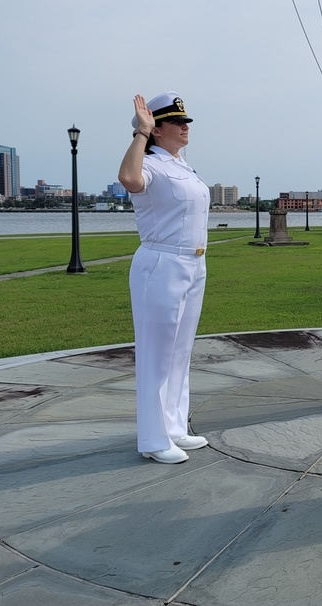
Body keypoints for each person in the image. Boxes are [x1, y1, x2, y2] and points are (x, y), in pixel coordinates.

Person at [118, 91, 211, 464]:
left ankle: (173, 427)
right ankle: (154, 440)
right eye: (177, 122)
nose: (185, 127)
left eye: (186, 121)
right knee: (157, 353)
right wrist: (140, 133)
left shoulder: (181, 165)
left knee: (179, 353)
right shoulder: (151, 163)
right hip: (161, 264)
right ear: (158, 130)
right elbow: (128, 178)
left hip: (194, 265)